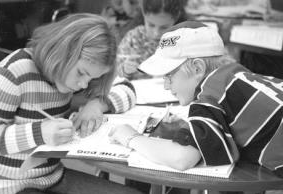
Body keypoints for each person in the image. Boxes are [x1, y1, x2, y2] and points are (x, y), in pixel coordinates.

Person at [0, 13, 145, 194]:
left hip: (52, 178)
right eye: (82, 73)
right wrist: (39, 132)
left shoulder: (71, 78)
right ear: (64, 51)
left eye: (92, 78)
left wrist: (96, 105)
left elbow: (127, 88)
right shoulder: (14, 72)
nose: (83, 84)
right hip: (7, 187)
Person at [109, 21, 283, 178]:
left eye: (169, 75)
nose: (166, 86)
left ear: (198, 68)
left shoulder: (209, 97)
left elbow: (182, 158)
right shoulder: (235, 74)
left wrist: (131, 137)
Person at [117, 0, 188, 80]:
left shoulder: (182, 41)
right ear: (144, 14)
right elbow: (114, 75)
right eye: (151, 25)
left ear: (176, 18)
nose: (156, 33)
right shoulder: (133, 38)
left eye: (163, 27)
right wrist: (125, 71)